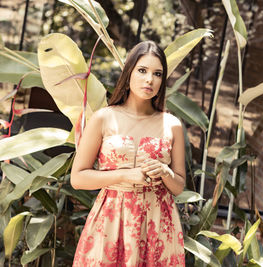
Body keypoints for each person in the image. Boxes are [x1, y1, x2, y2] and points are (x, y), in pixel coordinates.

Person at [71, 40, 186, 266]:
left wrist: (165, 171)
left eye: (157, 73)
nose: (149, 79)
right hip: (111, 221)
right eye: (142, 70)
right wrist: (124, 175)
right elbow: (78, 178)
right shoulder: (104, 118)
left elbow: (179, 186)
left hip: (158, 224)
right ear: (129, 72)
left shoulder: (172, 125)